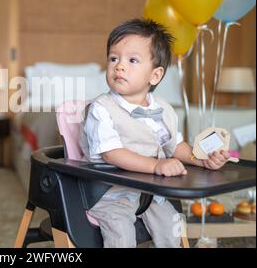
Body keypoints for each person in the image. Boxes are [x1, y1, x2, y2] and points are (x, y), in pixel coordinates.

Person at [79, 19, 230, 248]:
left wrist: (200, 160)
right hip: (109, 193)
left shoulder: (164, 110)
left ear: (155, 76)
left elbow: (174, 146)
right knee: (120, 235)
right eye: (113, 58)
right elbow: (112, 153)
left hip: (148, 193)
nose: (119, 66)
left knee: (172, 226)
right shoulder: (101, 109)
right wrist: (156, 166)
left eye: (132, 60)